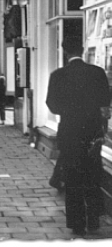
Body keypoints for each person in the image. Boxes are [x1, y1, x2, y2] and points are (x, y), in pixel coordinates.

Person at [46, 35, 111, 237]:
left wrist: (69, 111)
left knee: (73, 177)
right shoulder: (97, 72)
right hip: (92, 133)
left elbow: (52, 104)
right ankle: (93, 219)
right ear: (82, 50)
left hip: (70, 132)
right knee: (92, 175)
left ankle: (77, 223)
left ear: (65, 51)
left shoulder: (58, 75)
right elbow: (106, 100)